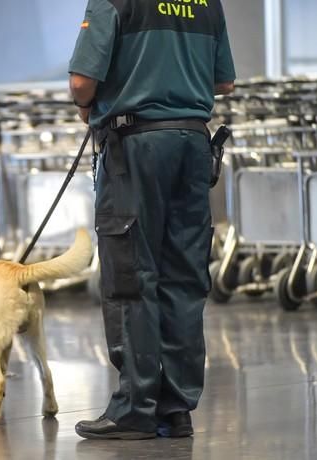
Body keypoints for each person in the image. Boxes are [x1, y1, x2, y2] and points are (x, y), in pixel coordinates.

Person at [68, 0, 236, 440]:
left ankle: (134, 409)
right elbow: (225, 82)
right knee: (183, 278)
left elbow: (83, 81)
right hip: (192, 144)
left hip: (135, 146)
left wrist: (95, 102)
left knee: (131, 274)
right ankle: (176, 407)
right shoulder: (207, 3)